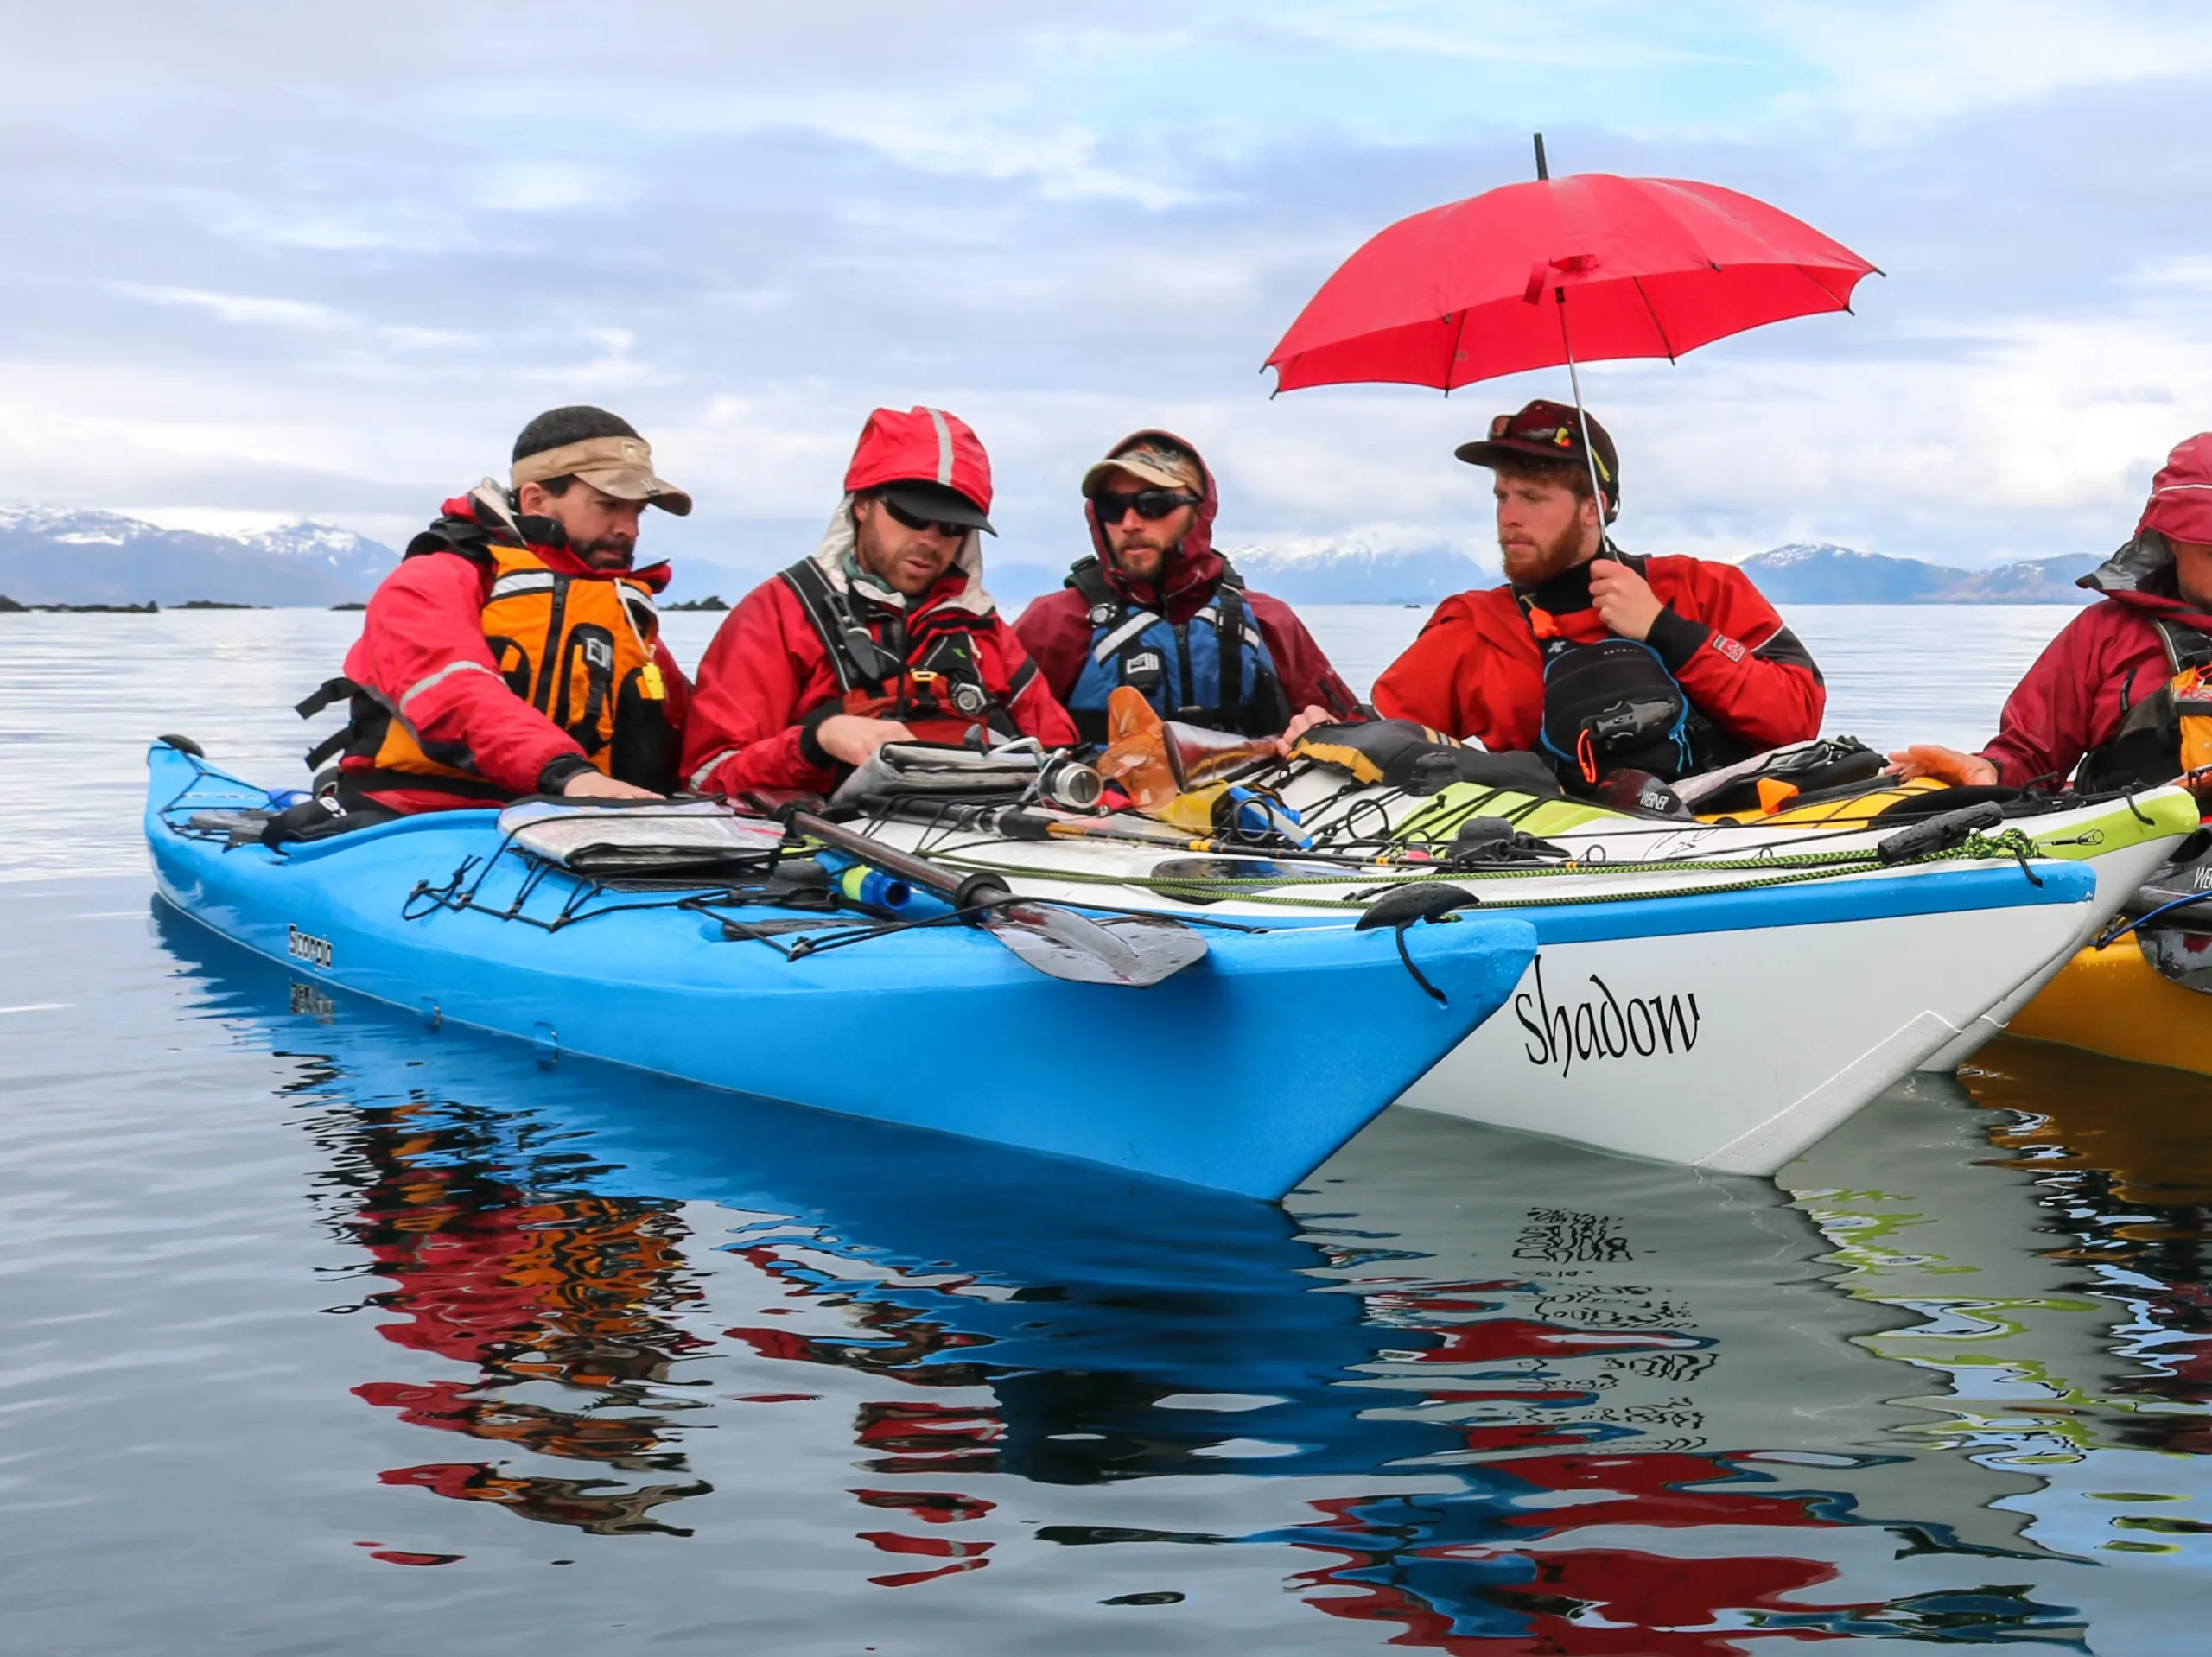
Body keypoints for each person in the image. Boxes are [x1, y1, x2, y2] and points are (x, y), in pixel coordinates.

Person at [1370, 399, 1824, 789]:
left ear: (1594, 508)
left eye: (1532, 497)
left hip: (1727, 841)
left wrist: (1666, 631)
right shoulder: (1475, 628)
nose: (1508, 516)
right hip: (1564, 868)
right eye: (1501, 495)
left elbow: (1798, 718)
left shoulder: (1701, 588)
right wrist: (1331, 731)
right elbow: (1382, 737)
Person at [313, 406, 694, 816]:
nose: (629, 529)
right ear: (536, 500)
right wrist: (569, 775)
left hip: (568, 822)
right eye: (607, 505)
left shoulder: (626, 618)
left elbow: (693, 732)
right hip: (417, 816)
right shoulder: (431, 580)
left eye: (637, 510)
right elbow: (458, 696)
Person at [683, 406, 1076, 797]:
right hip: (828, 845)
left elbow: (1064, 756)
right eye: (911, 514)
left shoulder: (984, 630)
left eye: (953, 526)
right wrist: (815, 742)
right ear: (862, 503)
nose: (930, 539)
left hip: (978, 841)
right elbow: (707, 777)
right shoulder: (778, 615)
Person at [1892, 435, 2212, 796]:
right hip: (2143, 843)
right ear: (2170, 540)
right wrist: (1988, 770)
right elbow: (2029, 758)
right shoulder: (2104, 632)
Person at [1014, 429, 1361, 748]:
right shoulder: (1054, 623)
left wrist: (1320, 729)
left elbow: (1354, 730)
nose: (1130, 524)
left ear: (1200, 511)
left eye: (1154, 505)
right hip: (1101, 811)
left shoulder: (1270, 622)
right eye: (1112, 508)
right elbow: (993, 745)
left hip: (1249, 807)